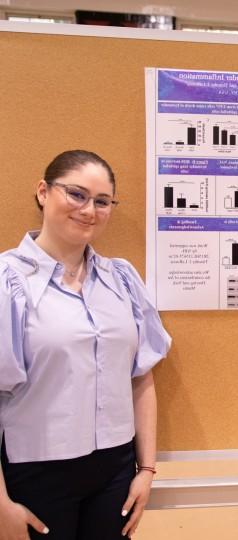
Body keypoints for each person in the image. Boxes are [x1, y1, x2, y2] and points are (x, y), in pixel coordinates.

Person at [0, 150, 171, 540]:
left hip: (115, 470)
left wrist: (146, 470)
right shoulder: (8, 281)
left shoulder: (122, 279)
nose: (88, 210)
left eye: (102, 201)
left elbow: (141, 377)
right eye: (76, 194)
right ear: (44, 192)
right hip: (36, 472)